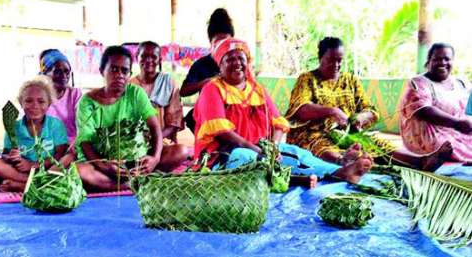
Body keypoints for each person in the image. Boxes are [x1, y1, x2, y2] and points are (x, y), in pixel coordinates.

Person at [193, 38, 373, 186]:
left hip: (261, 148)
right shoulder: (212, 88)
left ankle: (339, 171)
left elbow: (278, 123)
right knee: (247, 158)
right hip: (222, 157)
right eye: (229, 59)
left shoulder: (257, 89)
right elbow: (223, 132)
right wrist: (258, 150)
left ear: (248, 62)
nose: (237, 63)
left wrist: (274, 147)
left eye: (241, 58)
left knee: (296, 153)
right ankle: (295, 178)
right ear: (220, 66)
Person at [285, 37, 452, 171]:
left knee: (375, 145)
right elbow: (299, 110)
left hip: (347, 133)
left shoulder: (350, 80)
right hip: (312, 133)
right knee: (320, 145)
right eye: (330, 60)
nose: (336, 65)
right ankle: (342, 162)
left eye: (340, 60)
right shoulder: (307, 79)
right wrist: (331, 111)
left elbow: (370, 110)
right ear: (320, 57)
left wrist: (360, 118)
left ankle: (420, 161)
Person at [76, 46, 188, 192]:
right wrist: (105, 165)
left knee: (181, 151)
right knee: (80, 171)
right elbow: (85, 142)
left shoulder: (135, 93)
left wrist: (154, 158)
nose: (120, 75)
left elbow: (155, 128)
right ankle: (134, 183)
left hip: (135, 160)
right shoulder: (87, 102)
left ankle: (114, 184)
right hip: (102, 162)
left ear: (129, 74)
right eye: (114, 69)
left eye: (124, 71)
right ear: (102, 71)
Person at [0, 77, 69, 192]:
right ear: (21, 102)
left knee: (68, 161)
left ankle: (23, 185)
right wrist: (12, 157)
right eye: (29, 101)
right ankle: (34, 183)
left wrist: (33, 164)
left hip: (49, 169)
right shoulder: (14, 127)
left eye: (41, 101)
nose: (35, 106)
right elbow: (5, 155)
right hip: (21, 172)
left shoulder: (55, 125)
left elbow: (60, 156)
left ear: (49, 103)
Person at [400, 43, 472, 163]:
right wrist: (457, 123)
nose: (442, 63)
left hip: (458, 130)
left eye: (447, 59)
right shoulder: (418, 83)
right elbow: (424, 111)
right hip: (429, 136)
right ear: (429, 62)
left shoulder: (461, 83)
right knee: (447, 146)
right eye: (437, 59)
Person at [180, 8, 235, 132]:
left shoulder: (238, 63)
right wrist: (205, 83)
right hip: (208, 115)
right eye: (217, 42)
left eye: (226, 42)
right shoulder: (201, 64)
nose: (222, 46)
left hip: (234, 113)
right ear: (210, 43)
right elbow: (183, 91)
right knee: (192, 117)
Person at [131, 41, 185, 142]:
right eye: (144, 56)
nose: (148, 60)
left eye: (153, 57)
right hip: (135, 142)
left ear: (159, 60)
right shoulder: (129, 86)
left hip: (162, 140)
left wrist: (154, 138)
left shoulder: (169, 83)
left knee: (182, 151)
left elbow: (174, 122)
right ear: (137, 57)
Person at [39, 49, 82, 143]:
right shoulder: (38, 97)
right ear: (45, 74)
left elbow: (83, 125)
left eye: (67, 72)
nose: (64, 76)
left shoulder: (75, 94)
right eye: (57, 71)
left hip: (73, 147)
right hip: (47, 147)